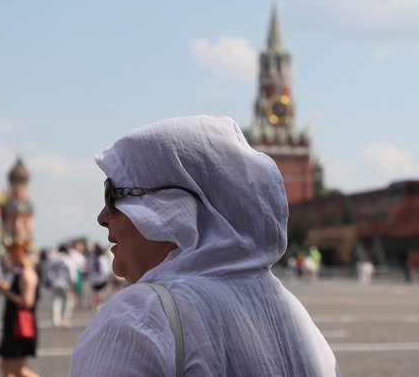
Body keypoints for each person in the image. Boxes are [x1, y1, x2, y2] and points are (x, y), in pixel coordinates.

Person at [69, 116, 340, 376]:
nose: (102, 217)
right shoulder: (299, 322)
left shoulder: (140, 319)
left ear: (172, 206)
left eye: (113, 195)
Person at [0, 241, 40, 377]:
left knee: (18, 371)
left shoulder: (27, 275)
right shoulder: (22, 273)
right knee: (6, 369)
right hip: (13, 326)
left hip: (20, 328)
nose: (9, 259)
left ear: (17, 255)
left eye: (10, 256)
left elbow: (27, 302)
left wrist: (6, 291)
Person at [47, 244, 76, 328]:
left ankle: (56, 321)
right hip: (65, 283)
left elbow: (49, 271)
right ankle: (66, 320)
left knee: (56, 301)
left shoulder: (54, 259)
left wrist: (49, 281)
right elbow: (72, 273)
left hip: (55, 282)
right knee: (68, 302)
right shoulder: (68, 259)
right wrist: (73, 283)